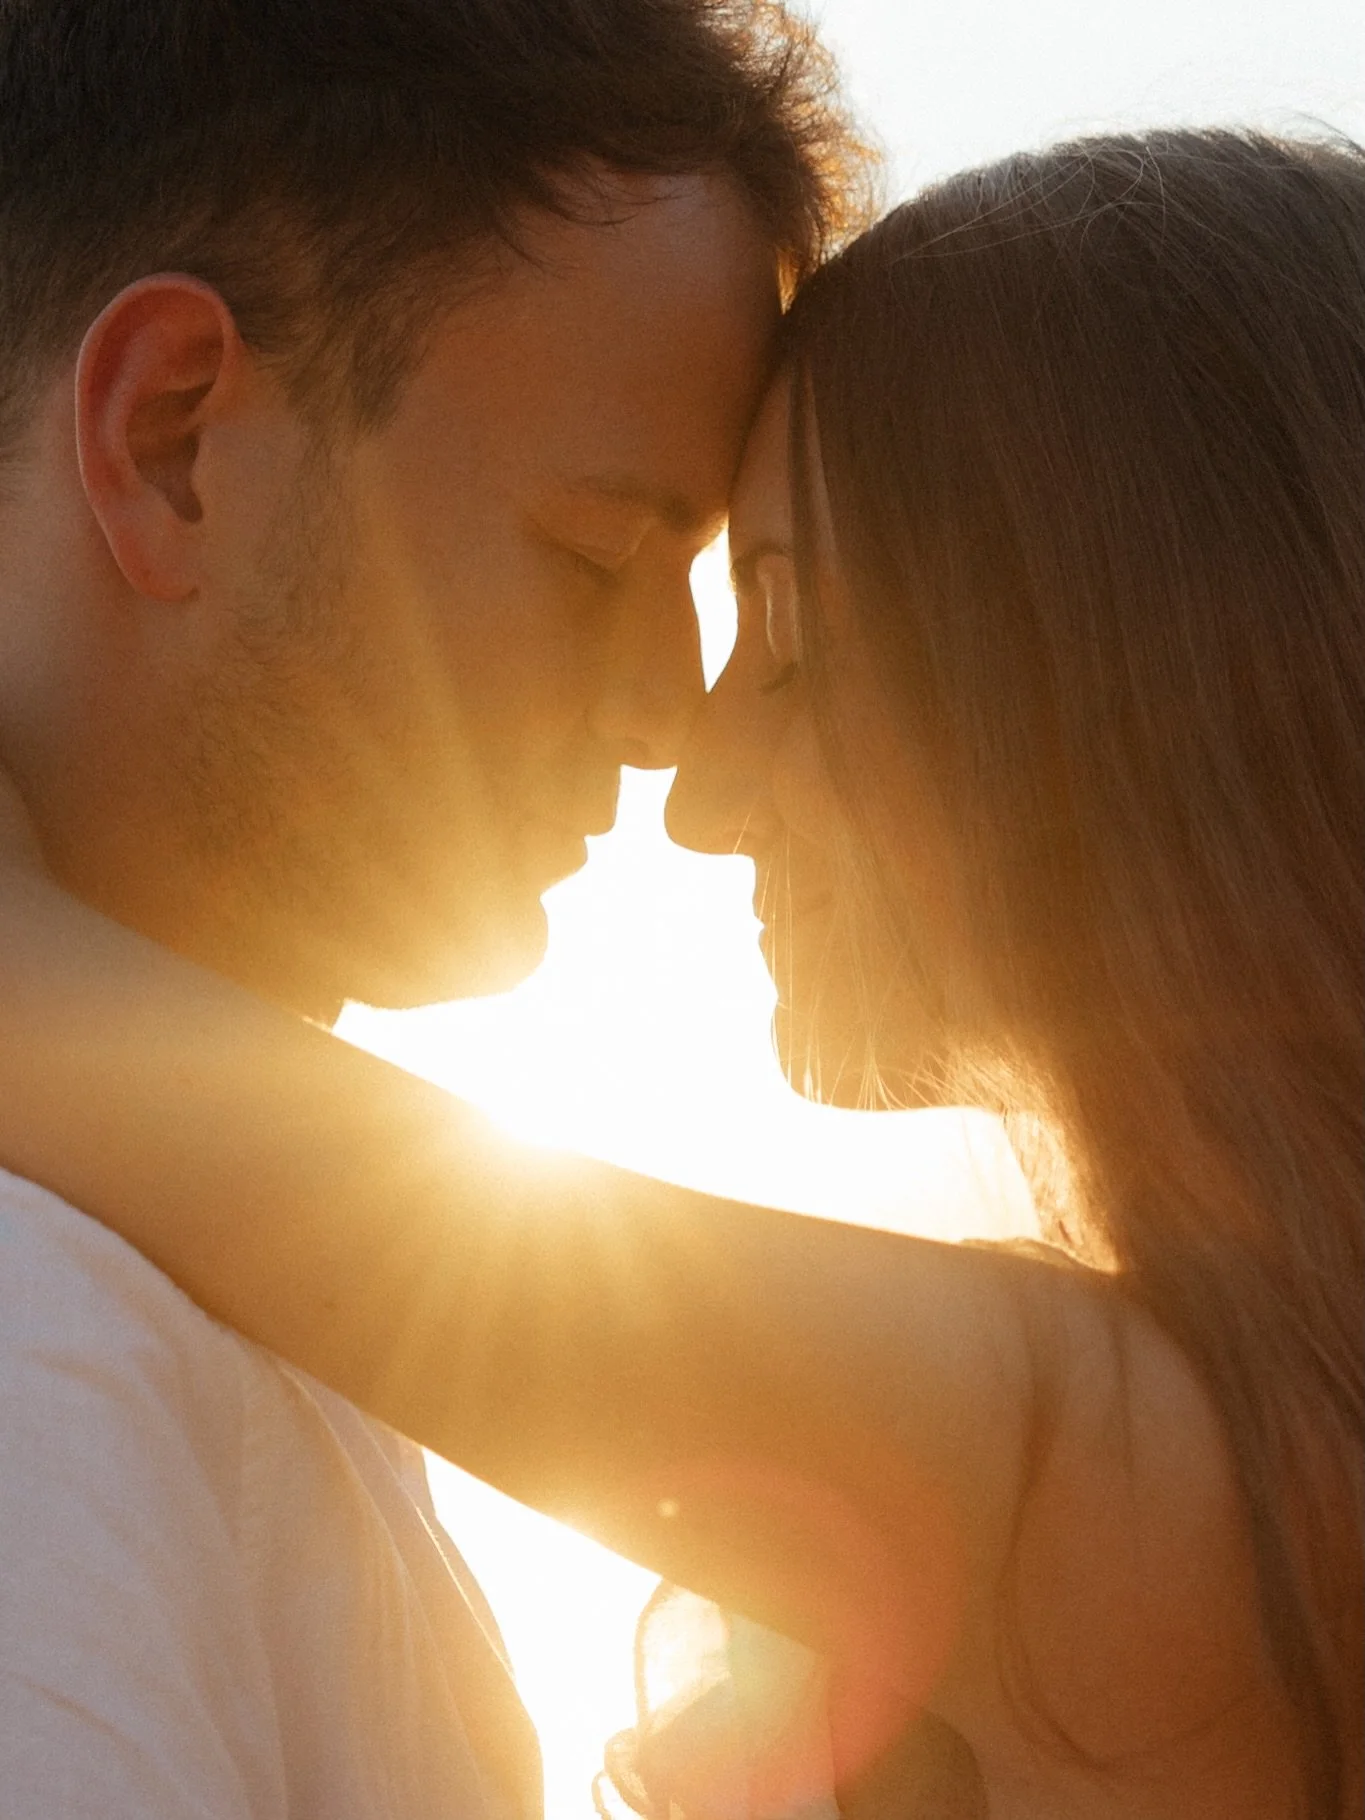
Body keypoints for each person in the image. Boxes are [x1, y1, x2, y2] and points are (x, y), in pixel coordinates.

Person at [1, 126, 1360, 1818]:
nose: (705, 791)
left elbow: (126, 1073)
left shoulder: (1150, 1475)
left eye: (786, 632)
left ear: (1121, 662)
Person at [0, 2, 867, 1816]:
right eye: (598, 558)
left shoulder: (196, 1291)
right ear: (171, 441)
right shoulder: (41, 1352)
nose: (670, 715)